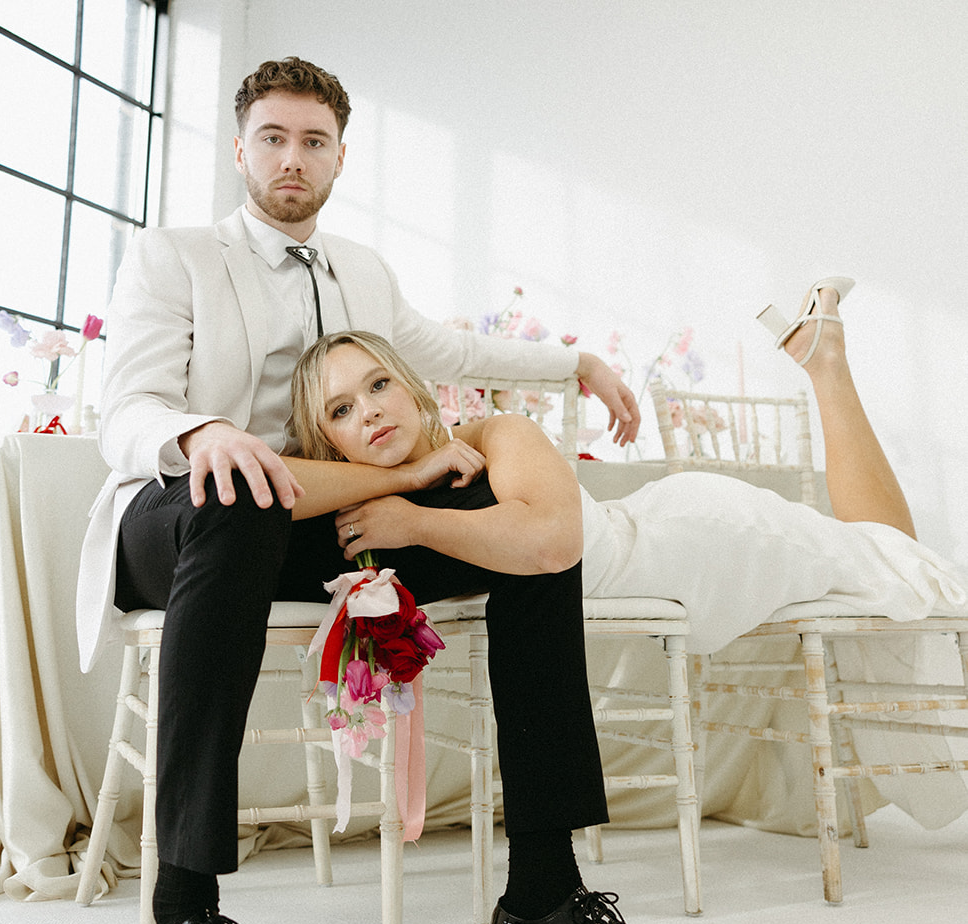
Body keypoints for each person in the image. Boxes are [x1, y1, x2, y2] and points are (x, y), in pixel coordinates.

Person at [76, 56, 723, 924]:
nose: (293, 157)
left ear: (338, 155)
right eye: (274, 137)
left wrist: (574, 362)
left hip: (327, 519)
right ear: (240, 146)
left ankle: (543, 901)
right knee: (237, 495)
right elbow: (127, 407)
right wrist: (205, 433)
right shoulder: (176, 256)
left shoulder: (361, 268)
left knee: (520, 537)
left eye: (314, 140)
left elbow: (443, 349)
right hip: (190, 516)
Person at [290, 279, 967, 699]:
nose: (371, 410)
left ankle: (826, 362)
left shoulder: (496, 432)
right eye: (341, 410)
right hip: (660, 532)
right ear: (328, 442)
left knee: (890, 557)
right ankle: (821, 356)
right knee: (874, 550)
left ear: (411, 388)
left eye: (378, 385)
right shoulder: (369, 485)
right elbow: (281, 481)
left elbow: (554, 540)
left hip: (686, 541)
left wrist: (414, 523)